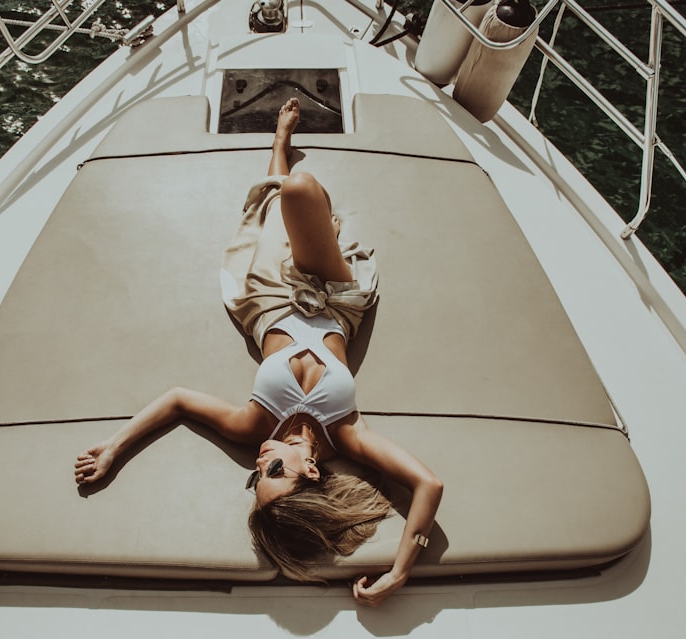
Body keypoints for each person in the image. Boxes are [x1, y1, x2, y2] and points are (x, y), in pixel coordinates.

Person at [74, 98, 443, 606]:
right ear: (311, 472)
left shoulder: (255, 428)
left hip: (269, 297)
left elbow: (178, 400)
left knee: (277, 204)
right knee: (300, 191)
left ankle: (278, 143)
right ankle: (299, 193)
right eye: (273, 472)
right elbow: (428, 485)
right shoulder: (347, 437)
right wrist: (401, 572)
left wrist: (114, 447)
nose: (261, 459)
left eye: (255, 477)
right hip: (335, 298)